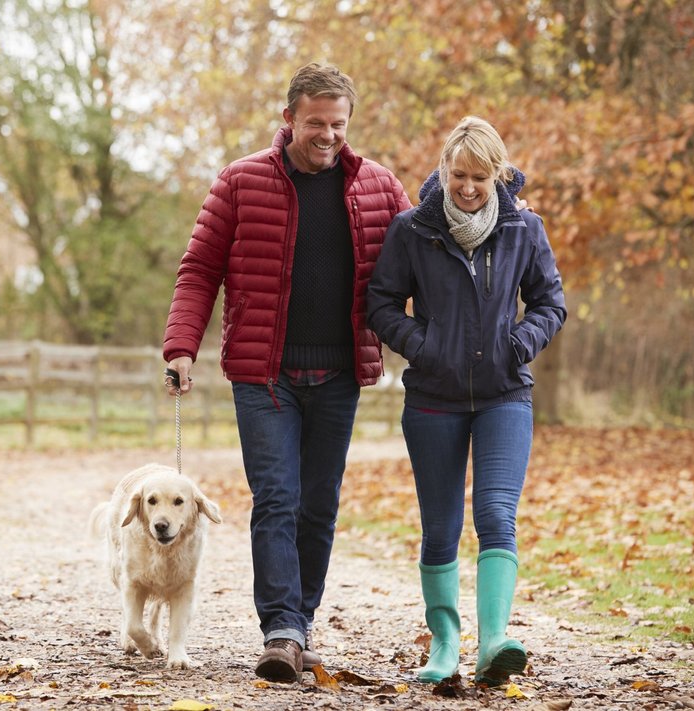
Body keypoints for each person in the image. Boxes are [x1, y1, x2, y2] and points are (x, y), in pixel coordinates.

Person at [162, 62, 411, 683]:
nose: (328, 135)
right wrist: (181, 347)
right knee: (277, 498)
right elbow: (199, 270)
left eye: (339, 125)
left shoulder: (378, 188)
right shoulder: (241, 182)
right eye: (316, 123)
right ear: (289, 118)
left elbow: (422, 257)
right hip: (263, 376)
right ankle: (281, 628)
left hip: (339, 376)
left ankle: (299, 624)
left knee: (319, 504)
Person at [366, 116, 566, 685]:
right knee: (440, 526)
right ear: (444, 171)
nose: (469, 187)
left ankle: (495, 639)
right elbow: (380, 305)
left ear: (498, 175)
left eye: (480, 176)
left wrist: (518, 344)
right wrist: (422, 347)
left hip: (505, 394)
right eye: (459, 175)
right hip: (433, 398)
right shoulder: (413, 230)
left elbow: (551, 303)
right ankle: (446, 643)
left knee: (497, 515)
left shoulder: (524, 229)